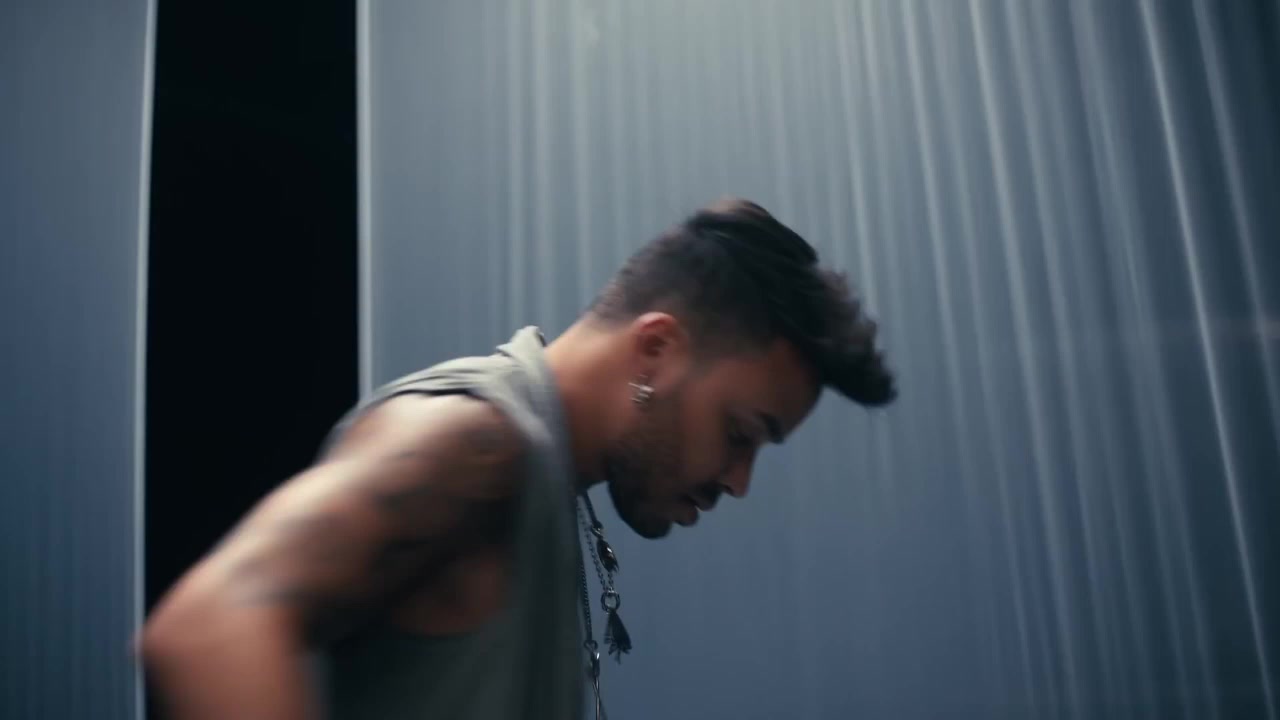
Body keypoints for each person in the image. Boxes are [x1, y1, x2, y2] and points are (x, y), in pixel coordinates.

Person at [139, 197, 897, 720]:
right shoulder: (480, 441)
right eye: (740, 433)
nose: (740, 481)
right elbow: (213, 625)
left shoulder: (542, 476)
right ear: (658, 350)